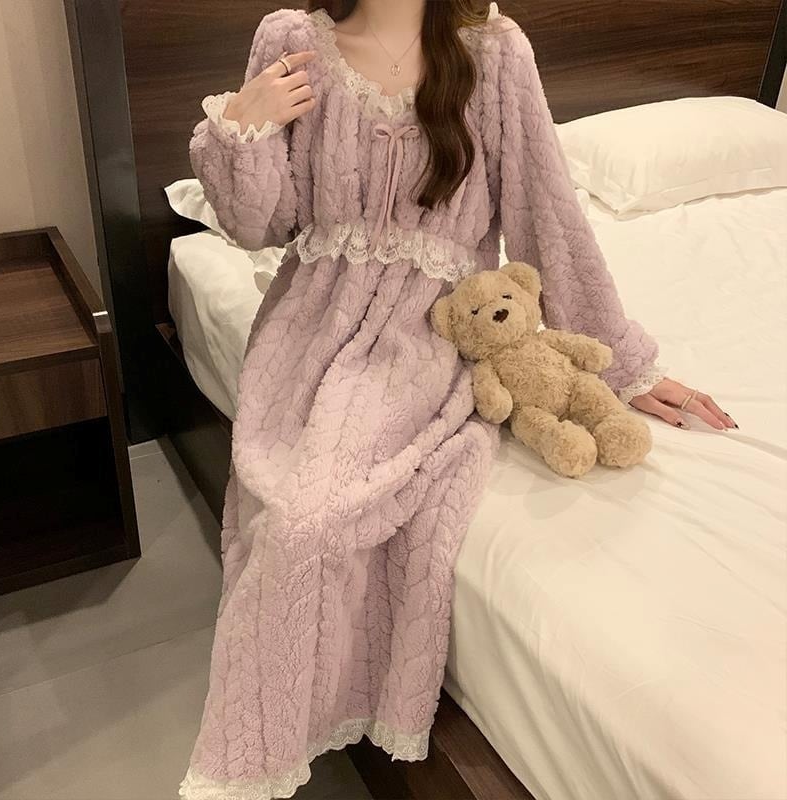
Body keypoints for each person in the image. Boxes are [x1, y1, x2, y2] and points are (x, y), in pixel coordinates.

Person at [181, 2, 735, 798]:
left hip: (430, 327)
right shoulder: (291, 38)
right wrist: (244, 125)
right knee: (297, 514)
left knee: (314, 517)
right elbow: (260, 226)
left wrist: (622, 361)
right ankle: (261, 745)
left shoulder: (497, 54)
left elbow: (546, 210)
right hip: (313, 320)